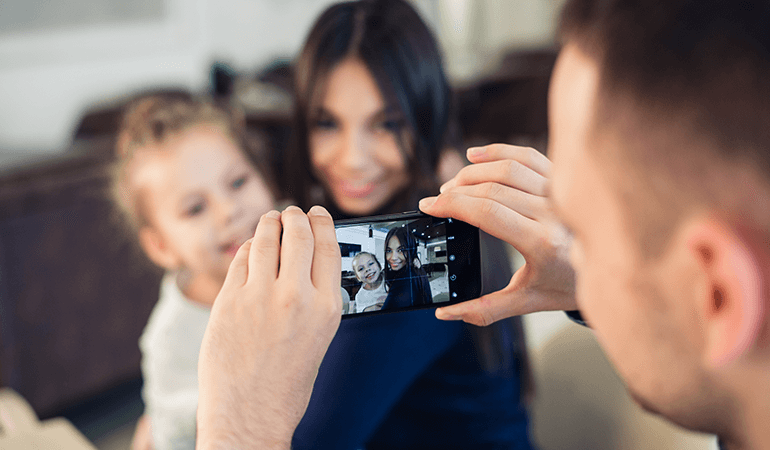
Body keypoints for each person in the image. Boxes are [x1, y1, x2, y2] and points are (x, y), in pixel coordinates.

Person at [196, 0, 770, 449]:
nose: (352, 158)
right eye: (326, 122)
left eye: (584, 231)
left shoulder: (426, 256)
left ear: (718, 293)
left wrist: (237, 432)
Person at [285, 1, 533, 448]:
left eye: (386, 124)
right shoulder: (440, 203)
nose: (352, 159)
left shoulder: (411, 257)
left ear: (426, 118)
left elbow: (305, 440)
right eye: (327, 123)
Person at [109, 94, 277, 450]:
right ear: (161, 247)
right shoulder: (172, 340)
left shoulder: (299, 248)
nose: (229, 211)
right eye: (195, 208)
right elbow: (177, 438)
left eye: (237, 182)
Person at [381, 226, 432, 309]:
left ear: (411, 251)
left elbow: (383, 319)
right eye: (389, 251)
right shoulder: (417, 270)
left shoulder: (404, 279)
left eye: (401, 250)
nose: (393, 257)